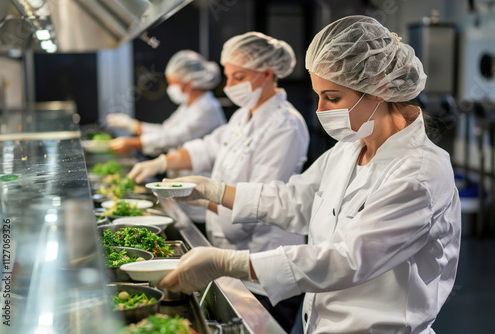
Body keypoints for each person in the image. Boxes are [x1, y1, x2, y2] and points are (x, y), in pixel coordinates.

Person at [159, 16, 462, 334]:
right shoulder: (349, 149)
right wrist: (214, 191)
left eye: (332, 98)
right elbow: (296, 200)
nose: (321, 109)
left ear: (379, 88)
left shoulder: (418, 174)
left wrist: (231, 263)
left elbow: (349, 259)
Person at [128, 32, 310, 332]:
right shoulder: (241, 117)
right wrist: (161, 163)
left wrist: (203, 198)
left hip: (263, 268)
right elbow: (206, 147)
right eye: (228, 76)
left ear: (267, 74)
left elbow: (259, 206)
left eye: (239, 76)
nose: (230, 85)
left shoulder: (285, 126)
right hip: (229, 254)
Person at [107, 50, 226, 157]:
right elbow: (165, 131)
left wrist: (132, 143)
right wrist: (132, 125)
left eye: (173, 83)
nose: (170, 88)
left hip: (200, 176)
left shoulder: (207, 109)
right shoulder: (188, 106)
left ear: (188, 83)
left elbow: (172, 137)